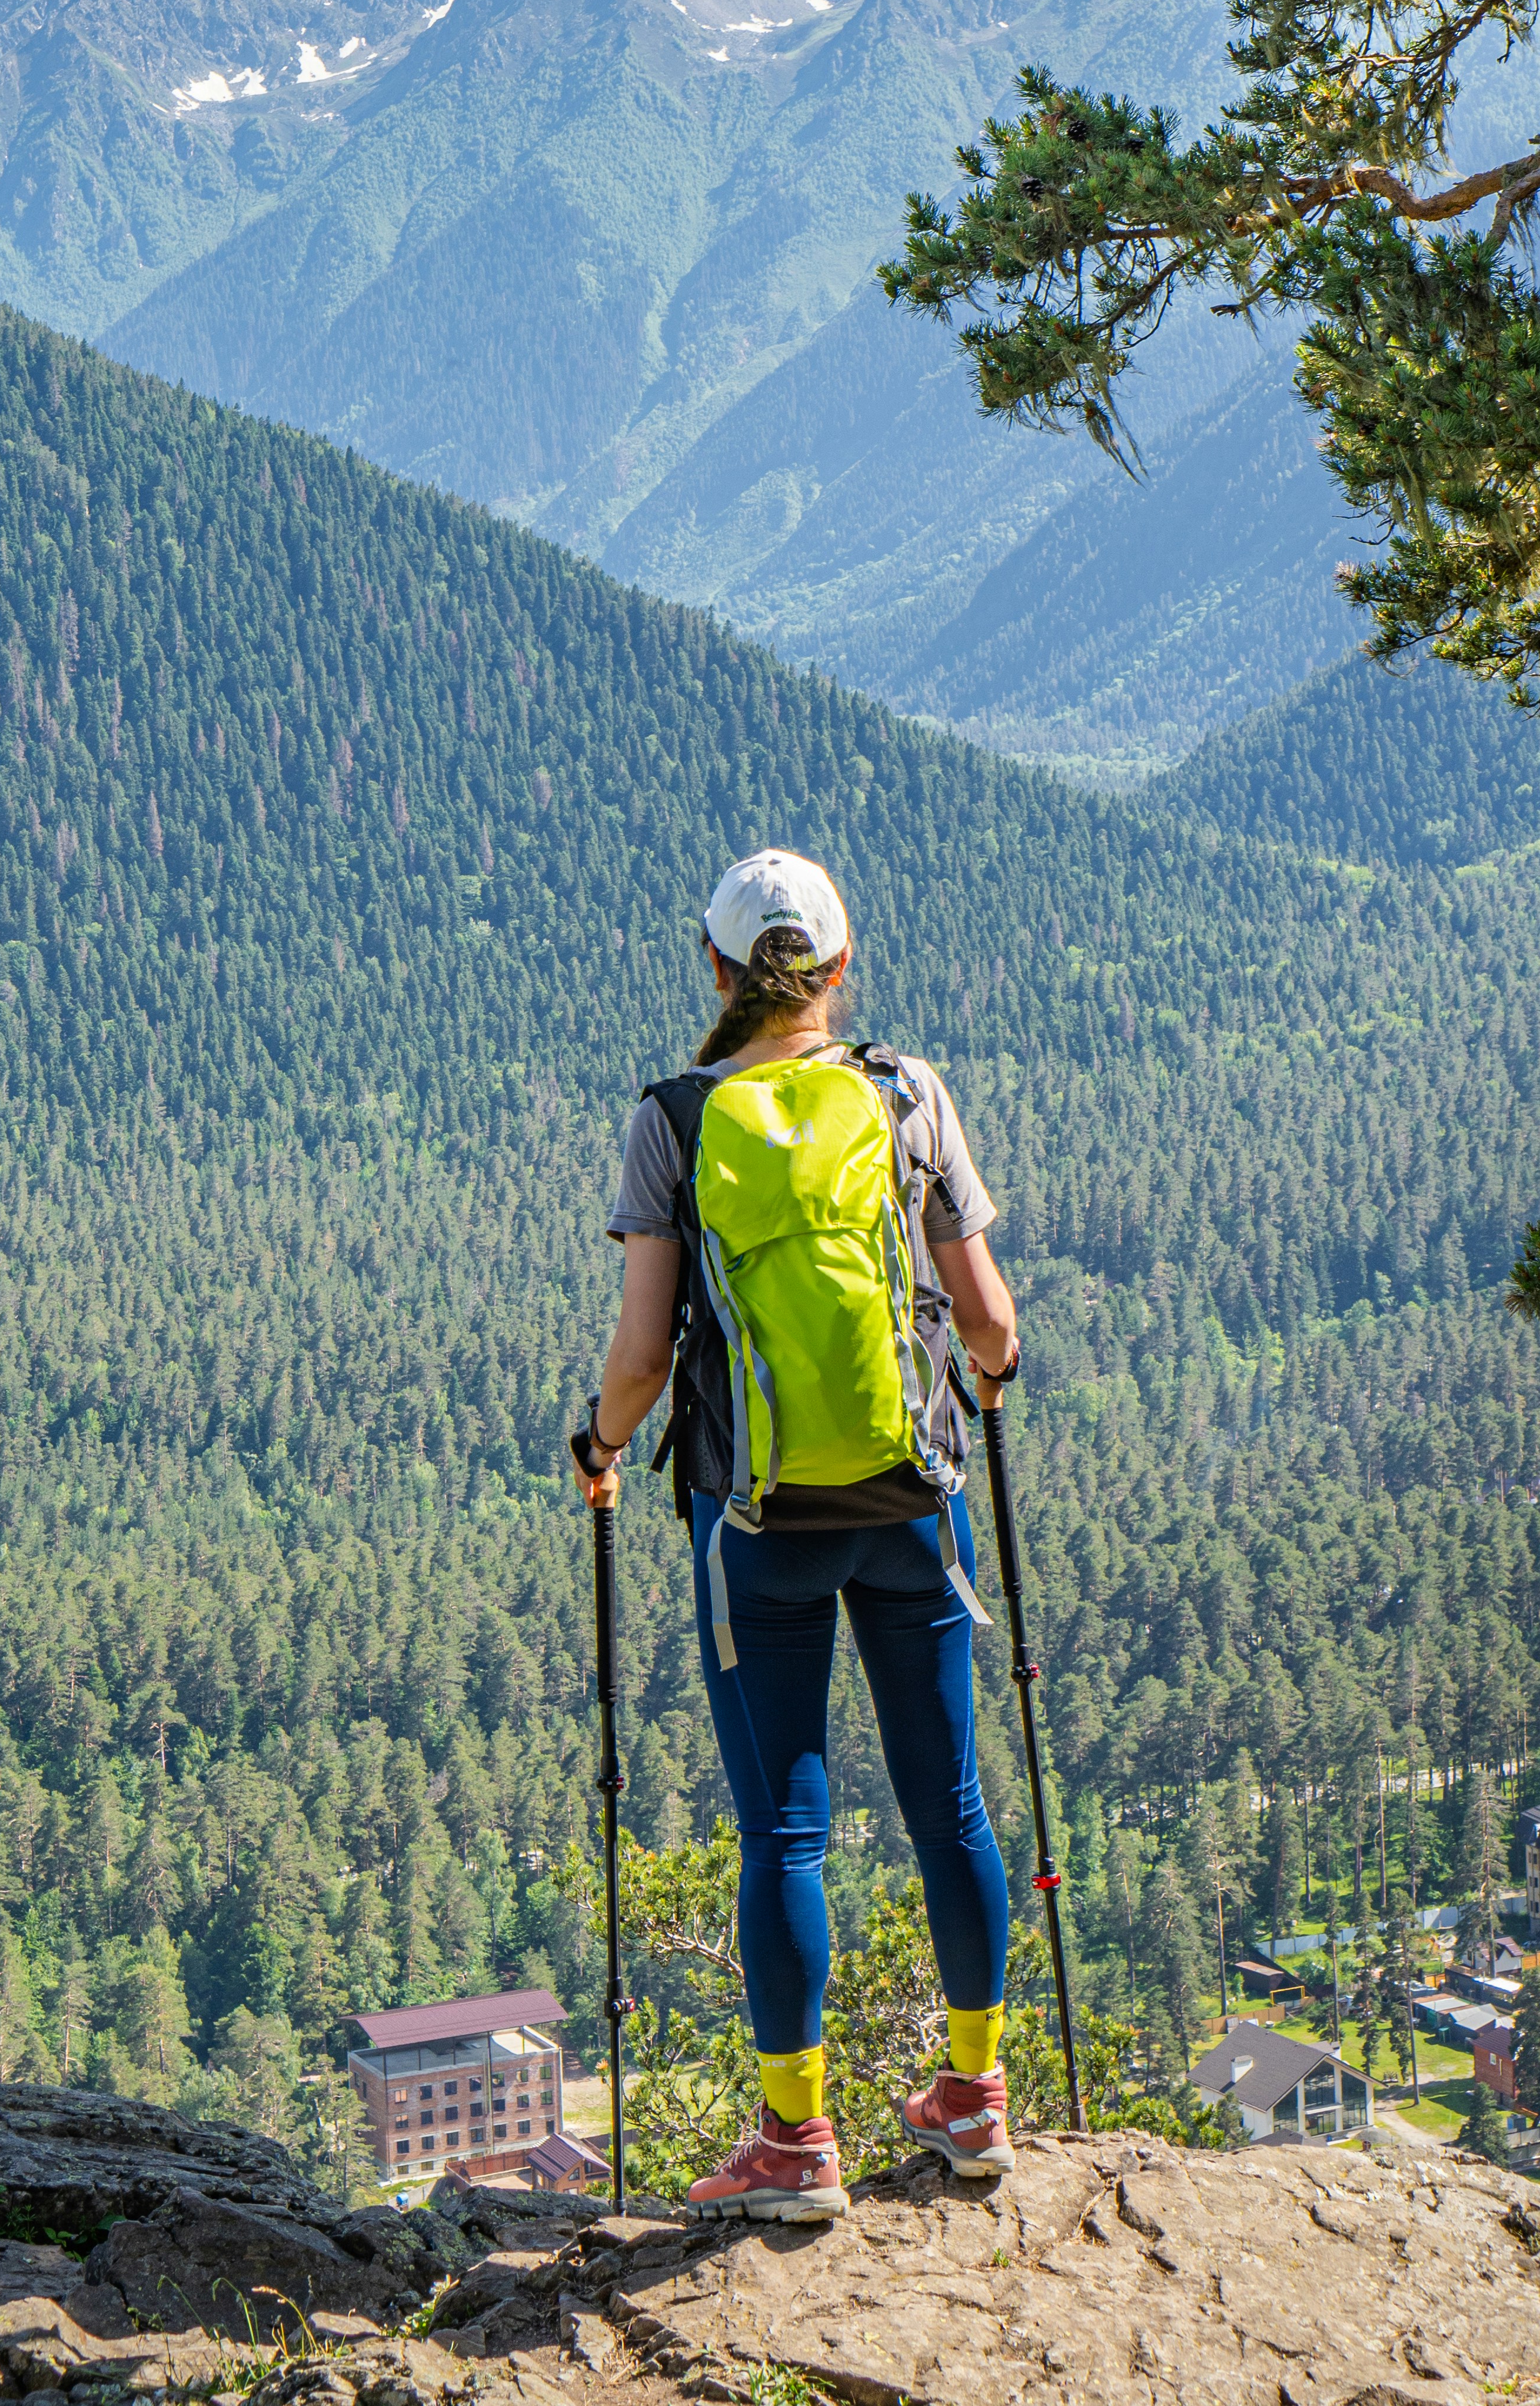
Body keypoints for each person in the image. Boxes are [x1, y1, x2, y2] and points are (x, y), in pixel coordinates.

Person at [569, 846, 1021, 2217]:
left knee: (785, 1832)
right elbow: (991, 1327)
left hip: (753, 1516)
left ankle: (793, 2142)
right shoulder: (904, 1093)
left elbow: (644, 1361)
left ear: (713, 970)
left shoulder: (677, 1117)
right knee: (947, 1802)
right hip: (910, 1500)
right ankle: (976, 2098)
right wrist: (982, 1391)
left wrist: (596, 1451)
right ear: (839, 968)